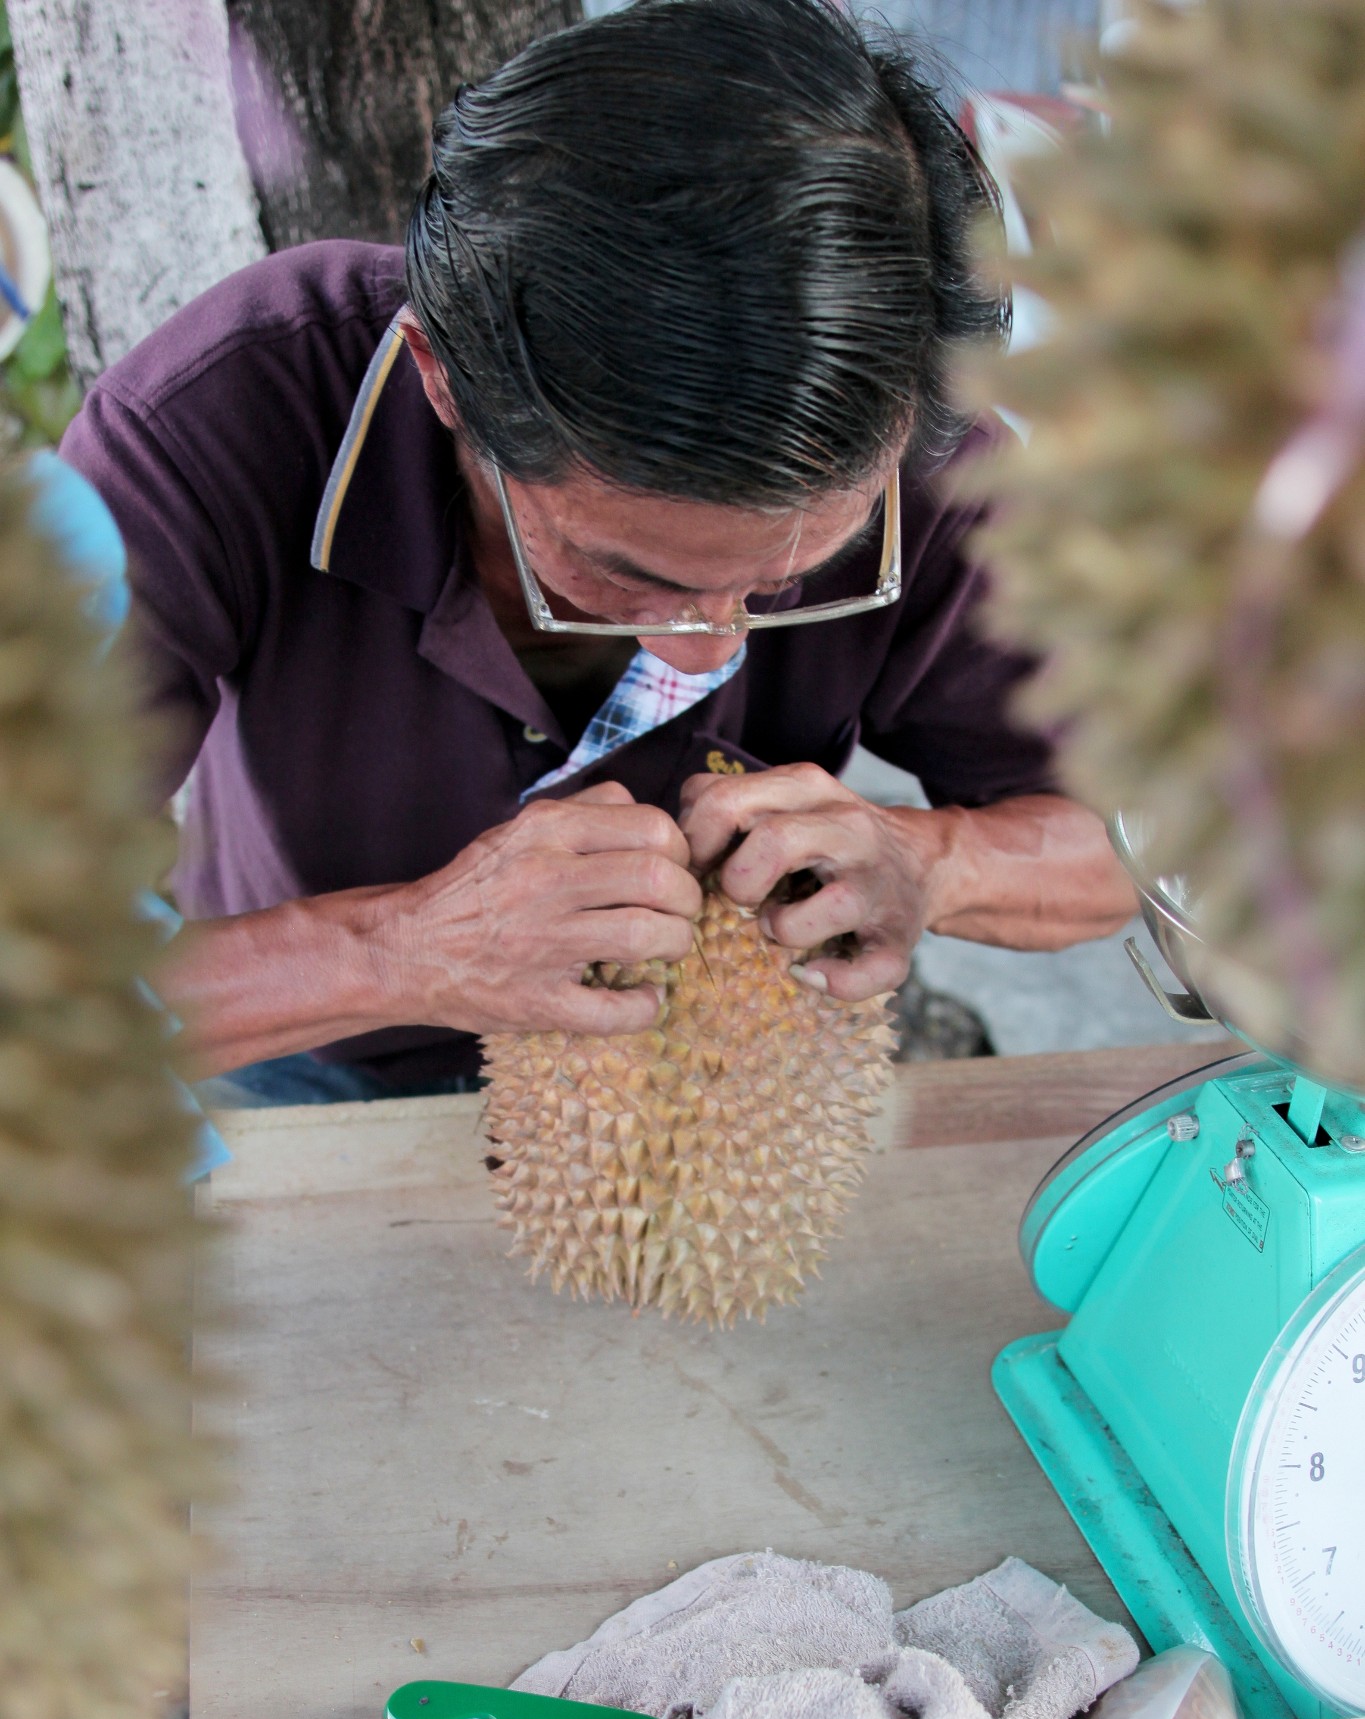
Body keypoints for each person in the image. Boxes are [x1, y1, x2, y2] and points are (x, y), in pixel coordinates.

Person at [61, 0, 1133, 1105]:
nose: (710, 643)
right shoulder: (221, 412)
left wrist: (932, 863)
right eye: (632, 571)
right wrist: (394, 951)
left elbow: (1128, 845)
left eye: (780, 582)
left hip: (729, 1068)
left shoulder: (924, 448)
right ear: (441, 378)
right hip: (315, 1041)